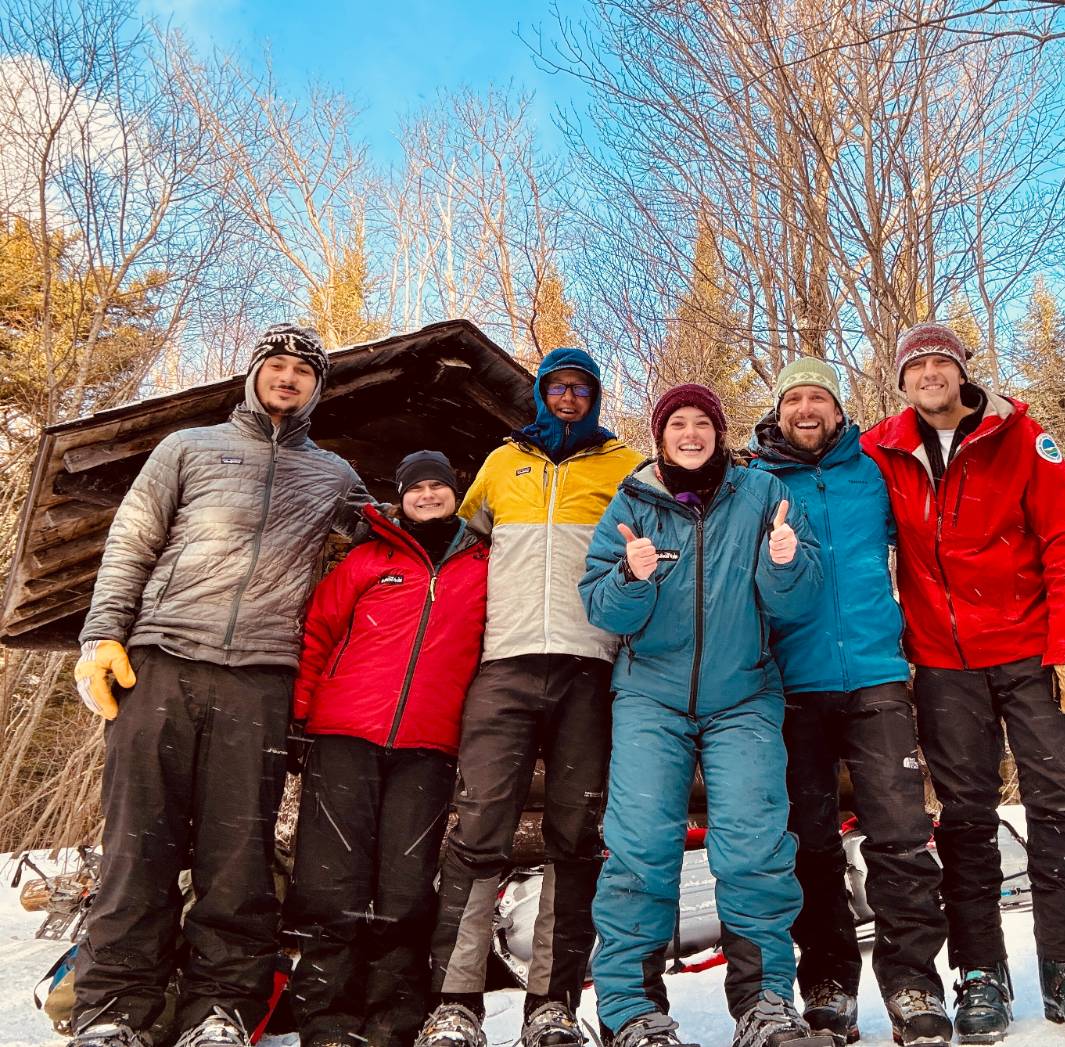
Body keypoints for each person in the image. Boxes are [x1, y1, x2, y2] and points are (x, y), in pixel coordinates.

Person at [69, 324, 370, 1047]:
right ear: (253, 373)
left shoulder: (332, 474)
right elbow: (132, 539)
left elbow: (393, 537)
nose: (289, 377)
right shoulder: (188, 448)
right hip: (162, 661)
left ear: (318, 388)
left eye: (305, 370)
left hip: (261, 680)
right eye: (278, 364)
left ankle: (220, 1009)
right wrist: (101, 635)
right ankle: (114, 1010)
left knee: (238, 857)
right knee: (136, 846)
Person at [860, 322, 1065, 1043]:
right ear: (902, 381)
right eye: (916, 366)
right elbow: (818, 476)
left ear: (961, 371)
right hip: (945, 666)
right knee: (967, 820)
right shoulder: (882, 449)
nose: (929, 375)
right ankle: (980, 972)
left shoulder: (1023, 438)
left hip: (1034, 654)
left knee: (1057, 807)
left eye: (940, 362)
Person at [580, 384, 832, 1047]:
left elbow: (796, 601)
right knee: (639, 848)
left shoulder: (761, 496)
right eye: (678, 423)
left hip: (743, 693)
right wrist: (630, 578)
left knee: (755, 848)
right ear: (661, 434)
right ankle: (631, 1013)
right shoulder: (632, 501)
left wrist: (784, 564)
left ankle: (767, 1005)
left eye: (702, 422)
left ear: (719, 432)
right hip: (649, 697)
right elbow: (604, 609)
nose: (691, 433)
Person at [414, 348, 643, 1047]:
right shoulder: (500, 463)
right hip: (504, 664)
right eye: (558, 387)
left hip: (588, 666)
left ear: (595, 397)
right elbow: (459, 542)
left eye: (581, 388)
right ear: (541, 395)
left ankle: (552, 1001)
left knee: (574, 838)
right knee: (478, 827)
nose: (569, 397)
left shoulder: (623, 465)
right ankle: (456, 1001)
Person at [748, 357, 948, 1047]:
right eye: (794, 397)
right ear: (778, 412)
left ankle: (914, 981)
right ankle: (828, 984)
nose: (806, 408)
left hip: (876, 675)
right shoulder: (755, 479)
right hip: (793, 685)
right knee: (809, 843)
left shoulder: (876, 468)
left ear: (838, 410)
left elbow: (928, 540)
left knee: (900, 835)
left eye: (818, 397)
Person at [286, 451, 490, 1047]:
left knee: (405, 889)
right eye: (415, 487)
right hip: (344, 735)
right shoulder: (366, 559)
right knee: (332, 883)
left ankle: (393, 1023)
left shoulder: (483, 564)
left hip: (430, 745)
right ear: (398, 497)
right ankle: (326, 1021)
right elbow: (318, 631)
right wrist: (299, 714)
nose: (428, 496)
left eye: (439, 486)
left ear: (457, 494)